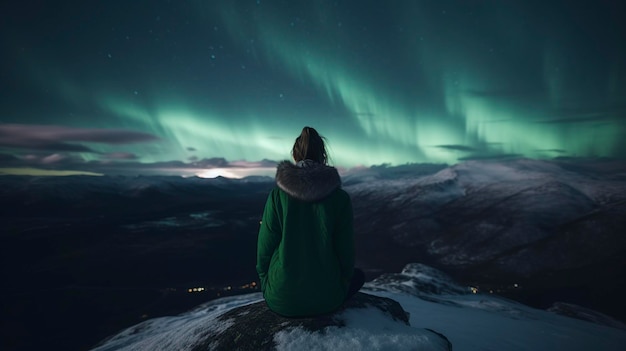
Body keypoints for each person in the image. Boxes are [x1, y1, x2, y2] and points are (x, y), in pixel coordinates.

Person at [256, 126, 365, 317]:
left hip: (282, 297)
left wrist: (266, 281)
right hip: (327, 299)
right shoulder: (340, 198)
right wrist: (342, 282)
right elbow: (345, 249)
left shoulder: (277, 196)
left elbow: (265, 246)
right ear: (323, 156)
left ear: (295, 155)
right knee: (359, 276)